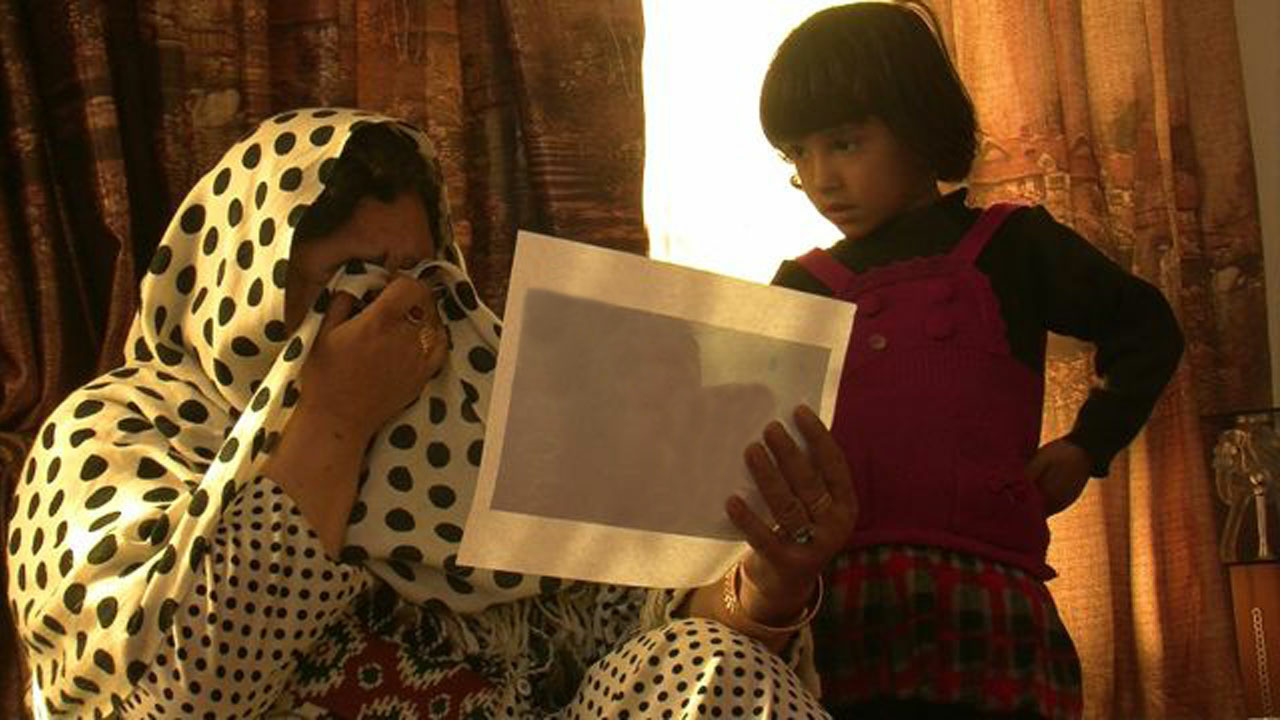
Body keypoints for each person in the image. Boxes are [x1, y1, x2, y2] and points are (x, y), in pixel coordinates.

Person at [7, 108, 857, 718]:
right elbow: (179, 693)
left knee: (712, 667)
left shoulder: (488, 430)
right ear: (250, 286)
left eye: (424, 273)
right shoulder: (120, 433)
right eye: (356, 279)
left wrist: (765, 587)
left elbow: (635, 649)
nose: (405, 309)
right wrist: (333, 422)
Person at [760, 4, 1185, 719]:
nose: (822, 176)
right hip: (842, 609)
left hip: (990, 601)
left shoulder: (1011, 246)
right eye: (798, 155)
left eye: (844, 143)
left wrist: (1088, 443)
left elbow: (1147, 328)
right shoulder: (799, 286)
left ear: (919, 124)